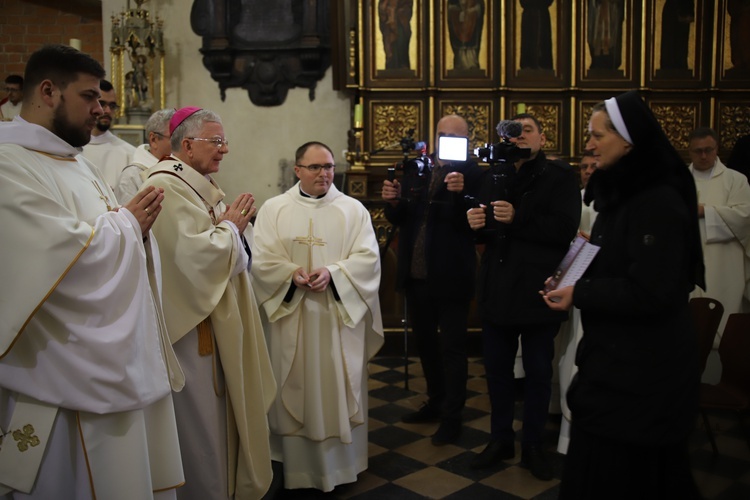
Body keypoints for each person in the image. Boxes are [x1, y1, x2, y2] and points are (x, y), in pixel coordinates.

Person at [0, 44, 184, 499]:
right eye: (90, 98)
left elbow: (110, 232)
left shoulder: (76, 161)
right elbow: (42, 255)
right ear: (48, 91)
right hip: (56, 373)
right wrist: (126, 225)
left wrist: (134, 234)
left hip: (107, 358)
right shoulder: (8, 163)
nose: (101, 110)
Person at [542, 91, 705, 499]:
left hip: (644, 377)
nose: (590, 145)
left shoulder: (658, 201)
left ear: (629, 140)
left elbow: (653, 291)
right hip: (617, 366)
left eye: (598, 135)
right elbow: (613, 259)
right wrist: (568, 277)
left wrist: (579, 291)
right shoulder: (624, 194)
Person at [141, 107, 276, 500]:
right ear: (187, 145)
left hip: (212, 327)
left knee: (216, 425)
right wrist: (232, 229)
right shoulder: (165, 186)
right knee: (201, 430)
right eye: (216, 142)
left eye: (223, 141)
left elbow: (219, 246)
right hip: (192, 332)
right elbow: (190, 258)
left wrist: (233, 231)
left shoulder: (195, 184)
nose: (225, 150)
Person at [251, 141, 384, 492]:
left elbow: (368, 260)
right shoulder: (273, 209)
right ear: (298, 170)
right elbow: (261, 259)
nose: (324, 174)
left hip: (335, 318)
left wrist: (335, 274)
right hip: (290, 317)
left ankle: (341, 467)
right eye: (315, 167)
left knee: (336, 384)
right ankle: (293, 468)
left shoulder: (352, 210)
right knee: (290, 385)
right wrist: (291, 274)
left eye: (328, 166)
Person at [467, 114, 580, 480]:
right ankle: (501, 439)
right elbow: (483, 231)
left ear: (542, 138)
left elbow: (564, 230)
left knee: (537, 372)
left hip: (536, 289)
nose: (518, 137)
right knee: (497, 372)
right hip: (497, 287)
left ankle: (532, 444)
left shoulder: (560, 177)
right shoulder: (494, 174)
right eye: (512, 133)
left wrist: (519, 216)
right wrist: (473, 225)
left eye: (526, 130)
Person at [381, 114, 483, 445]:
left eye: (455, 137)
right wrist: (393, 202)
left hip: (451, 276)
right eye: (442, 135)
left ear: (467, 142)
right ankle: (436, 402)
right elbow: (402, 217)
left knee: (452, 348)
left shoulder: (473, 174)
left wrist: (460, 194)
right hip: (416, 273)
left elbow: (473, 224)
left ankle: (453, 416)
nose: (446, 141)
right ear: (434, 136)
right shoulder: (419, 168)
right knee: (425, 344)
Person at [687, 127, 750, 382]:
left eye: (708, 150)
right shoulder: (679, 179)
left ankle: (721, 385)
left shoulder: (736, 180)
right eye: (697, 151)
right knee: (690, 325)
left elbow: (745, 217)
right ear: (689, 151)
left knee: (723, 322)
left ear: (717, 150)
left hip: (725, 263)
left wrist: (706, 212)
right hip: (689, 263)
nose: (703, 156)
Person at [555, 150, 598, 454]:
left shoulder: (615, 202)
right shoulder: (577, 199)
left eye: (594, 166)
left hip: (596, 292)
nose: (588, 172)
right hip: (575, 286)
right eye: (583, 167)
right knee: (568, 354)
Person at [80, 79, 136, 189]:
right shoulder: (70, 149)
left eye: (112, 106)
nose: (108, 111)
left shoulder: (129, 153)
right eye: (102, 104)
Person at [115, 108, 174, 202]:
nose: (180, 143)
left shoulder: (182, 168)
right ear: (153, 139)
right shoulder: (132, 176)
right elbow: (128, 215)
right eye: (174, 137)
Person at [447, 0, 485, 71]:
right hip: (458, 24)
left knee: (471, 47)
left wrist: (472, 11)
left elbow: (480, 6)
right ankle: (460, 64)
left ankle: (472, 64)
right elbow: (450, 7)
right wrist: (457, 11)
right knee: (460, 48)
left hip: (472, 23)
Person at [519, 0, 554, 70]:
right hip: (529, 14)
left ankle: (542, 63)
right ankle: (529, 63)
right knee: (529, 41)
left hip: (542, 13)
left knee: (543, 41)